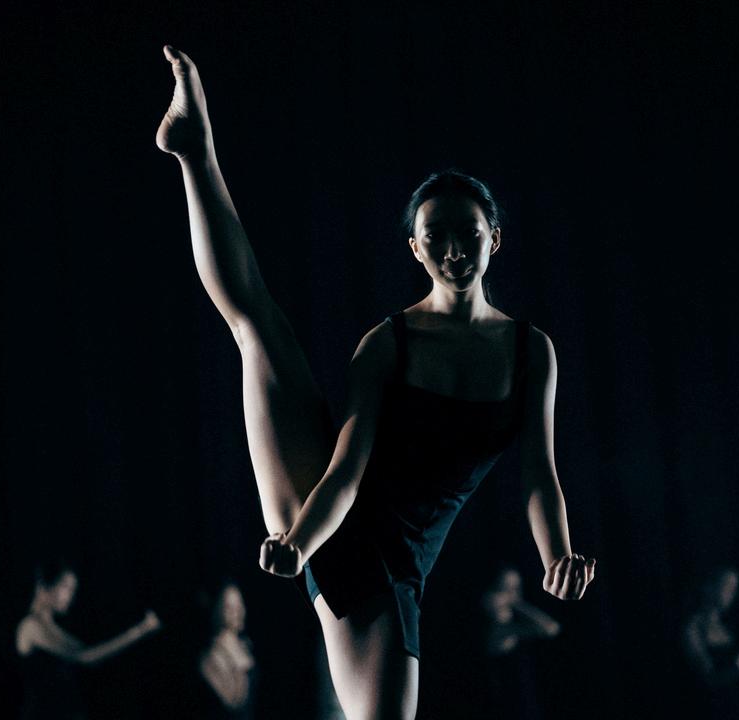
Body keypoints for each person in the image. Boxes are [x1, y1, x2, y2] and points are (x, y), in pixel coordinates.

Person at [156, 45, 596, 720]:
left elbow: (540, 475)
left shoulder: (531, 350)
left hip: (397, 562)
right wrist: (300, 542)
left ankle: (194, 149)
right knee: (256, 327)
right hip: (332, 519)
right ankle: (195, 150)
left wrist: (557, 556)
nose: (454, 249)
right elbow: (347, 470)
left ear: (495, 239)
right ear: (415, 248)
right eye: (436, 236)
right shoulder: (388, 343)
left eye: (469, 233)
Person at [15, 563, 161, 720]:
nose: (71, 595)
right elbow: (85, 657)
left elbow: (90, 654)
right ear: (43, 586)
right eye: (65, 587)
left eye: (73, 589)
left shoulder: (54, 629)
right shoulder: (30, 625)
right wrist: (140, 630)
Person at [481, 567, 560, 720]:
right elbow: (548, 628)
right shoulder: (492, 628)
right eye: (504, 589)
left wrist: (516, 602)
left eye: (516, 589)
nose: (512, 596)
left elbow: (552, 628)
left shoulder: (513, 624)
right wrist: (517, 603)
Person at [680, 567, 739, 718]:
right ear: (709, 587)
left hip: (735, 707)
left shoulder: (726, 625)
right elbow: (707, 679)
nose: (732, 594)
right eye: (727, 586)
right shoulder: (694, 628)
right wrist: (737, 669)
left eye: (734, 588)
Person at [196, 582, 256, 719]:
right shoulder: (210, 657)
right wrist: (240, 670)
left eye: (239, 605)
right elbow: (232, 704)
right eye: (230, 607)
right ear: (217, 609)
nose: (237, 612)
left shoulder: (246, 645)